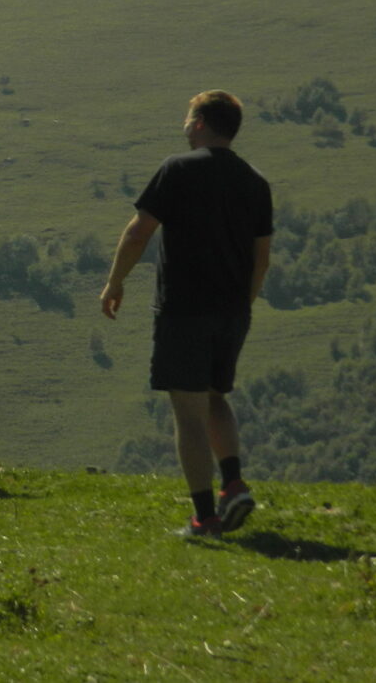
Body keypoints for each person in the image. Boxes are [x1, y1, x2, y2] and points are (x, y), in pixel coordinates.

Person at [100, 90, 272, 538]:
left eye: (187, 117)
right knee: (216, 396)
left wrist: (115, 281)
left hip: (186, 310)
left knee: (188, 412)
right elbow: (262, 258)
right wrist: (244, 304)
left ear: (199, 124)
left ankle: (205, 518)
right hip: (233, 311)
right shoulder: (255, 181)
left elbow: (140, 231)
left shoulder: (178, 169)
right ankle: (232, 483)